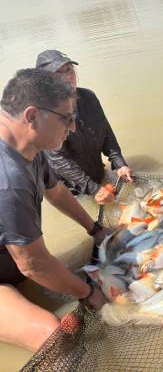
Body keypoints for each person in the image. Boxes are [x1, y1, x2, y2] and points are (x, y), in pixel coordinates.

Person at [0, 68, 108, 351]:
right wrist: (89, 294)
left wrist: (94, 229)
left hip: (12, 261)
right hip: (16, 267)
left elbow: (56, 191)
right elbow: (32, 264)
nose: (72, 128)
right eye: (67, 119)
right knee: (53, 335)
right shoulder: (7, 179)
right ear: (32, 116)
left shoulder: (27, 147)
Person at [35, 50, 132, 205]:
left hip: (98, 174)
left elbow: (105, 132)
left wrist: (119, 163)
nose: (66, 77)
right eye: (57, 74)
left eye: (68, 70)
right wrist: (94, 189)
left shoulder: (88, 97)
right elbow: (59, 161)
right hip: (71, 191)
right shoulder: (43, 114)